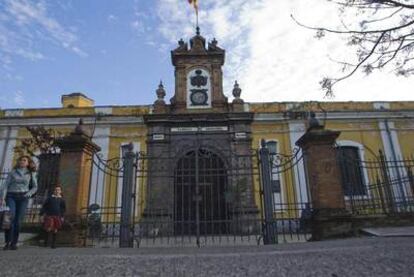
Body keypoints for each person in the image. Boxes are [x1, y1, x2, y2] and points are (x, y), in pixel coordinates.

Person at [0, 155, 38, 250]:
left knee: (18, 221)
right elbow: (5, 185)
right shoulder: (12, 172)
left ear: (28, 163)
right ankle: (7, 242)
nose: (22, 161)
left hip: (23, 197)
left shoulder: (31, 173)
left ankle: (14, 242)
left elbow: (35, 187)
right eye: (21, 160)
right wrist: (2, 198)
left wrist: (29, 194)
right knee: (10, 218)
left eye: (24, 160)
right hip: (11, 196)